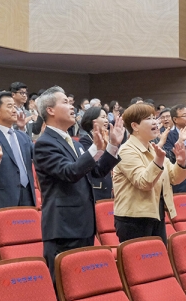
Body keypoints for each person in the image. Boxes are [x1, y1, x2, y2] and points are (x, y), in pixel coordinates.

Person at [33, 86, 124, 279]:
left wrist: (113, 145)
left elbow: (97, 171)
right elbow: (70, 172)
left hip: (83, 225)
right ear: (50, 110)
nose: (71, 105)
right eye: (65, 102)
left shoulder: (73, 143)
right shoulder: (44, 143)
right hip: (63, 229)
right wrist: (95, 149)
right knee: (63, 287)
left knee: (82, 285)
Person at [113, 103, 186, 244]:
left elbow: (173, 177)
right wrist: (158, 160)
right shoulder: (126, 150)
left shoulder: (153, 149)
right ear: (135, 126)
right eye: (149, 118)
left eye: (155, 117)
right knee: (139, 265)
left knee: (157, 263)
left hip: (156, 213)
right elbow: (143, 182)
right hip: (133, 219)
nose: (155, 122)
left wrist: (181, 162)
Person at [0, 91, 36, 211]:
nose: (15, 110)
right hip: (5, 199)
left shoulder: (22, 136)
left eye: (14, 106)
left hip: (28, 195)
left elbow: (37, 155)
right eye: (9, 106)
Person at [79, 107, 115, 201]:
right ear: (93, 120)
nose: (106, 120)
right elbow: (91, 164)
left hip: (107, 184)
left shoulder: (107, 138)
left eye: (107, 117)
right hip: (96, 187)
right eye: (103, 117)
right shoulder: (85, 140)